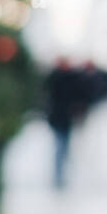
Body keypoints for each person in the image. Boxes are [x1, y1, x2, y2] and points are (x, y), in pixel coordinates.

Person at [44, 56, 80, 189]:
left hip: (66, 118)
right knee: (60, 146)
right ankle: (58, 174)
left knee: (64, 146)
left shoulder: (72, 77)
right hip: (58, 118)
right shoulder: (54, 77)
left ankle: (61, 172)